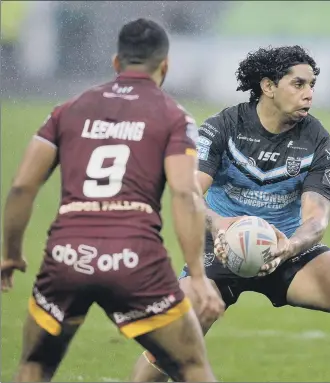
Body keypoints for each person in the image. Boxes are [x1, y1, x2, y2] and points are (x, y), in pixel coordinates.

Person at [132, 45, 330, 383]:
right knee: (173, 335)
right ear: (268, 86)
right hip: (219, 249)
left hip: (285, 249)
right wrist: (219, 224)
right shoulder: (223, 126)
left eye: (312, 86)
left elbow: (316, 219)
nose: (309, 94)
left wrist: (289, 246)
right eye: (299, 84)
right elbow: (189, 192)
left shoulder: (318, 141)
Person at [1, 18, 225, 383]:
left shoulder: (67, 110)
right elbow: (185, 193)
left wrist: (10, 252)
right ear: (164, 66)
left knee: (34, 366)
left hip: (66, 257)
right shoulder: (174, 117)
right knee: (190, 366)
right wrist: (197, 276)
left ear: (116, 63)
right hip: (135, 260)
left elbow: (22, 187)